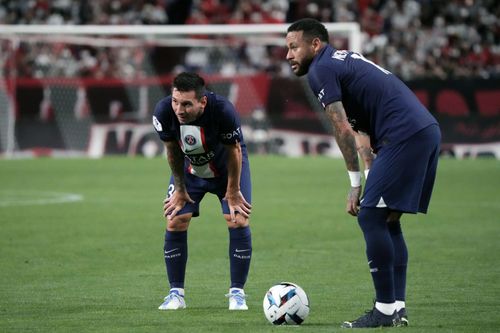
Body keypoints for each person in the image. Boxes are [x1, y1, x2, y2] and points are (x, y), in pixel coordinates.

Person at [285, 18, 440, 328]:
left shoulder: (321, 70)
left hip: (404, 134)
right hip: (422, 130)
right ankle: (396, 307)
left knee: (370, 216)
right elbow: (360, 131)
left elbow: (341, 127)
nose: (288, 55)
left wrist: (354, 185)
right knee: (386, 218)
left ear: (315, 45)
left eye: (293, 47)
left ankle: (383, 311)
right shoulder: (342, 62)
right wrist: (370, 176)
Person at [152, 72, 253, 311]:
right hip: (190, 168)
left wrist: (233, 190)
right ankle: (176, 294)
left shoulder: (223, 110)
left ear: (202, 102)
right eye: (176, 101)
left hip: (228, 167)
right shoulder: (163, 111)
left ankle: (237, 293)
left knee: (237, 218)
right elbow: (172, 151)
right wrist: (179, 188)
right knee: (175, 219)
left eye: (187, 103)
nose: (179, 109)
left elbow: (234, 151)